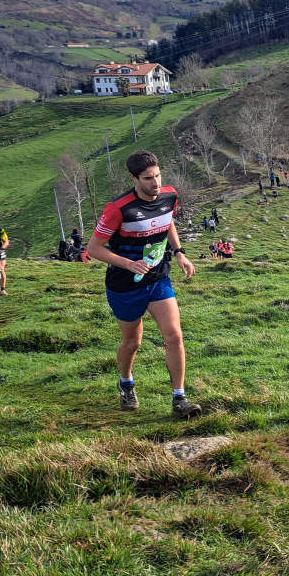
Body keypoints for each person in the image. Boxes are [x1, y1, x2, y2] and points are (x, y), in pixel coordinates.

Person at [86, 151, 203, 418]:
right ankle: (126, 382)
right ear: (134, 178)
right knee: (132, 342)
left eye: (158, 175)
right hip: (124, 284)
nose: (156, 183)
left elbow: (167, 222)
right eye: (148, 178)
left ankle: (179, 398)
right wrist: (128, 264)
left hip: (158, 278)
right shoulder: (119, 209)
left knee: (174, 335)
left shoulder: (169, 196)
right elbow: (93, 248)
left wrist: (180, 252)